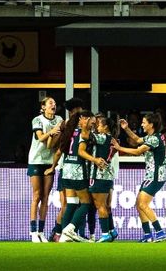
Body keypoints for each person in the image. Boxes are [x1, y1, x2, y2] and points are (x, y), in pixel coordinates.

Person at [112, 113, 166, 242]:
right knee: (139, 204)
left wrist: (119, 148)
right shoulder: (152, 137)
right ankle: (148, 235)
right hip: (150, 175)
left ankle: (160, 232)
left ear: (151, 124)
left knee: (143, 204)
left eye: (144, 122)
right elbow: (137, 140)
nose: (141, 124)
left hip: (156, 176)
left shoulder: (154, 139)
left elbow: (138, 151)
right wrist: (126, 129)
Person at [57, 110, 104, 242]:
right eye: (92, 122)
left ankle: (64, 236)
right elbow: (81, 152)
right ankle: (70, 229)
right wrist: (95, 160)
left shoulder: (70, 132)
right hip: (78, 170)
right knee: (86, 203)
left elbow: (58, 152)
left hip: (66, 169)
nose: (92, 126)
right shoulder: (84, 132)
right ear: (84, 119)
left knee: (71, 203)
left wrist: (52, 167)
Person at [45, 96, 83, 242]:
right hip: (66, 169)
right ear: (74, 110)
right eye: (79, 110)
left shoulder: (81, 126)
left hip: (74, 170)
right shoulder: (64, 125)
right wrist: (53, 133)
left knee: (74, 204)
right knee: (67, 204)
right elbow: (52, 146)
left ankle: (69, 232)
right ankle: (58, 232)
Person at [27, 96, 63, 242]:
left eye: (54, 103)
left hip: (50, 161)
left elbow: (57, 139)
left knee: (45, 197)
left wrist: (56, 133)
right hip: (36, 160)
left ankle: (41, 231)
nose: (53, 105)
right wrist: (52, 131)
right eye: (50, 103)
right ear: (43, 107)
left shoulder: (59, 119)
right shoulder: (37, 120)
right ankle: (33, 231)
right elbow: (41, 137)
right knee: (36, 195)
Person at [89, 114, 120, 242]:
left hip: (99, 175)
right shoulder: (111, 139)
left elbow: (86, 136)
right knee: (105, 205)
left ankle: (105, 234)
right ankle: (110, 231)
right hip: (106, 176)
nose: (96, 127)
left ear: (105, 127)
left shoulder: (102, 137)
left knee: (100, 205)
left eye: (98, 125)